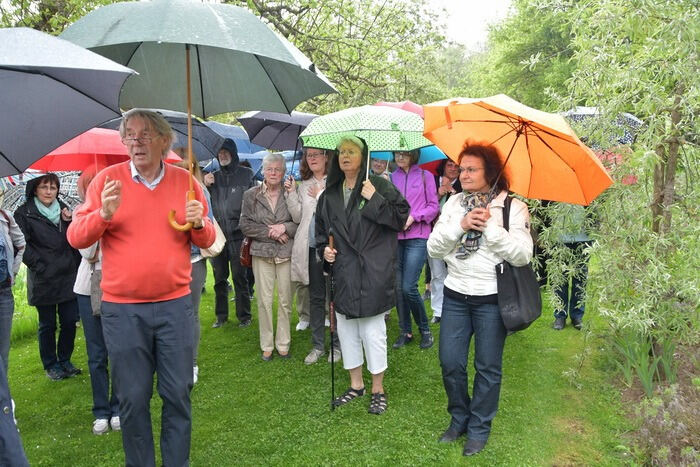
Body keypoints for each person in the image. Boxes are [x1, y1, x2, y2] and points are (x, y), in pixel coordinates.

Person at [67, 109, 215, 467]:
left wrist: (198, 223)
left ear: (165, 141)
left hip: (175, 307)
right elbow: (76, 237)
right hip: (123, 311)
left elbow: (208, 237)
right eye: (130, 135)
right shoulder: (107, 181)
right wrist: (103, 214)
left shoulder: (185, 182)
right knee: (132, 399)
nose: (136, 141)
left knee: (178, 393)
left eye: (146, 134)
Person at [427, 142, 532, 456]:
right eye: (462, 169)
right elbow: (434, 248)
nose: (464, 174)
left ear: (490, 171)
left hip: (492, 300)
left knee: (487, 367)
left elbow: (523, 255)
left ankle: (479, 428)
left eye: (472, 169)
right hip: (456, 295)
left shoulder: (513, 207)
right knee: (450, 362)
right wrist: (461, 225)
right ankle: (459, 418)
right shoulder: (454, 204)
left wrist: (490, 229)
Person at [316, 136, 409, 415]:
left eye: (351, 151)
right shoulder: (329, 194)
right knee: (346, 330)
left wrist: (375, 199)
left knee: (372, 332)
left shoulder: (379, 186)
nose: (345, 156)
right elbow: (322, 232)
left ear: (363, 156)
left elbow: (400, 219)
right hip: (344, 272)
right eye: (342, 152)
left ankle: (377, 388)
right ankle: (356, 385)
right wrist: (325, 251)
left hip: (372, 270)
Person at [14, 173, 81, 381]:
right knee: (48, 324)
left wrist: (70, 221)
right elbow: (21, 244)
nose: (49, 191)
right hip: (44, 279)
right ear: (35, 189)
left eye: (53, 187)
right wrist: (40, 265)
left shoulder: (64, 210)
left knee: (70, 321)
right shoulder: (24, 213)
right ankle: (51, 365)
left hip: (68, 275)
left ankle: (65, 360)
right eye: (44, 187)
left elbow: (75, 237)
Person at [72, 166, 120, 435]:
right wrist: (100, 218)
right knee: (96, 354)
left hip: (118, 287)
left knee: (119, 351)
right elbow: (87, 251)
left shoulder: (119, 209)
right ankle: (101, 410)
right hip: (88, 288)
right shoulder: (82, 215)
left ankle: (118, 407)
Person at [240, 152, 297, 361]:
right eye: (269, 169)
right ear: (263, 171)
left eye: (278, 169)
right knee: (264, 301)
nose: (273, 173)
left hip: (285, 253)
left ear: (283, 172)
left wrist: (284, 227)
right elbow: (245, 225)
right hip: (261, 254)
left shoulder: (291, 193)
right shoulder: (251, 195)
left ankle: (283, 343)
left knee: (285, 300)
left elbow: (299, 220)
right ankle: (267, 344)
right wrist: (271, 232)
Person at [286, 147, 341, 365]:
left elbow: (335, 213)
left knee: (334, 297)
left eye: (317, 154)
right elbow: (298, 216)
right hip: (311, 248)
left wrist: (321, 194)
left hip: (332, 247)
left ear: (326, 157)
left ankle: (337, 346)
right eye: (309, 156)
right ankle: (318, 345)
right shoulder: (304, 185)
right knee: (316, 297)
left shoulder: (336, 182)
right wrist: (291, 193)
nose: (312, 159)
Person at [204, 138, 256, 328]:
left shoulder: (247, 174)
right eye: (220, 153)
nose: (222, 155)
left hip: (238, 235)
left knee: (239, 277)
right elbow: (200, 200)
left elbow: (254, 203)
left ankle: (244, 316)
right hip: (218, 235)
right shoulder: (212, 177)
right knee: (219, 279)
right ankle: (221, 316)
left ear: (233, 153)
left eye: (226, 152)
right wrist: (204, 185)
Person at [390, 150, 439, 350]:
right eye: (397, 154)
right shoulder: (391, 177)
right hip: (395, 237)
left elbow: (433, 207)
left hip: (417, 236)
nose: (400, 157)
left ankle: (425, 330)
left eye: (404, 154)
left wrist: (414, 216)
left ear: (413, 155)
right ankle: (405, 331)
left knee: (409, 286)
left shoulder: (425, 176)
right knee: (399, 287)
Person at [173, 158, 213, 382]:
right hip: (168, 262)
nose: (183, 171)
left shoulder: (200, 192)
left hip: (193, 260)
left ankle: (191, 362)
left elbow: (209, 226)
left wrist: (197, 222)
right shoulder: (165, 192)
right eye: (179, 167)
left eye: (188, 167)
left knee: (191, 313)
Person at [428, 158, 461, 324]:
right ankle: (438, 310)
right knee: (437, 273)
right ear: (443, 166)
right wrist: (439, 192)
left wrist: (452, 192)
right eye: (450, 165)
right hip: (432, 233)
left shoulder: (463, 185)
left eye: (456, 166)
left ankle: (453, 308)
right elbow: (423, 203)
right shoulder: (431, 180)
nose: (453, 168)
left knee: (454, 271)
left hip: (455, 235)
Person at [551, 204, 593, 330]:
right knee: (559, 279)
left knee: (580, 279)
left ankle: (577, 316)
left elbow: (597, 207)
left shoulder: (586, 186)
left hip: (583, 238)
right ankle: (560, 315)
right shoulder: (554, 186)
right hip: (559, 238)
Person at [0, 202, 25, 377]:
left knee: (2, 352)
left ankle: (2, 399)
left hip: (3, 293)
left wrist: (12, 272)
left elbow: (21, 244)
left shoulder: (5, 217)